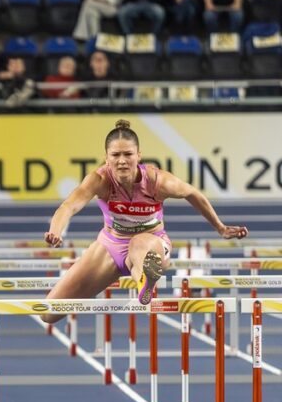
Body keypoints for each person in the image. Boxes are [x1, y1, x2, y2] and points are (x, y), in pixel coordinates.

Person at [40, 120, 247, 323]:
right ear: (106, 158)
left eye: (128, 154)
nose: (122, 160)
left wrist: (220, 227)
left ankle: (145, 282)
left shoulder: (157, 181)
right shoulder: (99, 180)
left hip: (151, 243)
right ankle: (143, 280)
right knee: (49, 313)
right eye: (115, 155)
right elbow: (69, 206)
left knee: (138, 245)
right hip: (110, 246)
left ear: (139, 155)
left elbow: (192, 193)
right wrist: (55, 230)